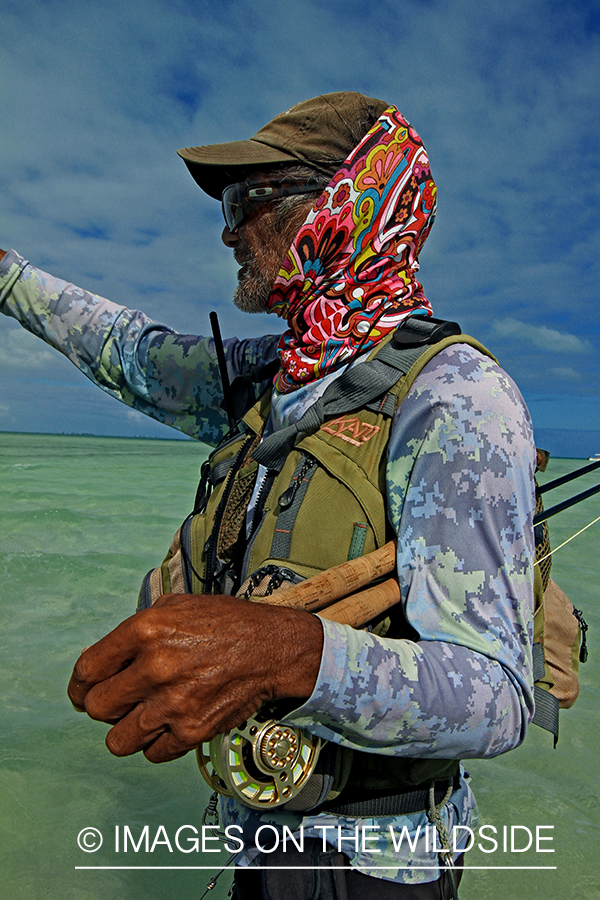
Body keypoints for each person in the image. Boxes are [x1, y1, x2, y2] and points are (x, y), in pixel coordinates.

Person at [0, 92, 536, 898]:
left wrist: (282, 654)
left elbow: (495, 696)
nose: (227, 230)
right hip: (262, 836)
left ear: (339, 207)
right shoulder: (271, 375)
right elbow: (129, 352)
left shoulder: (455, 395)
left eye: (247, 200)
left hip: (373, 867)